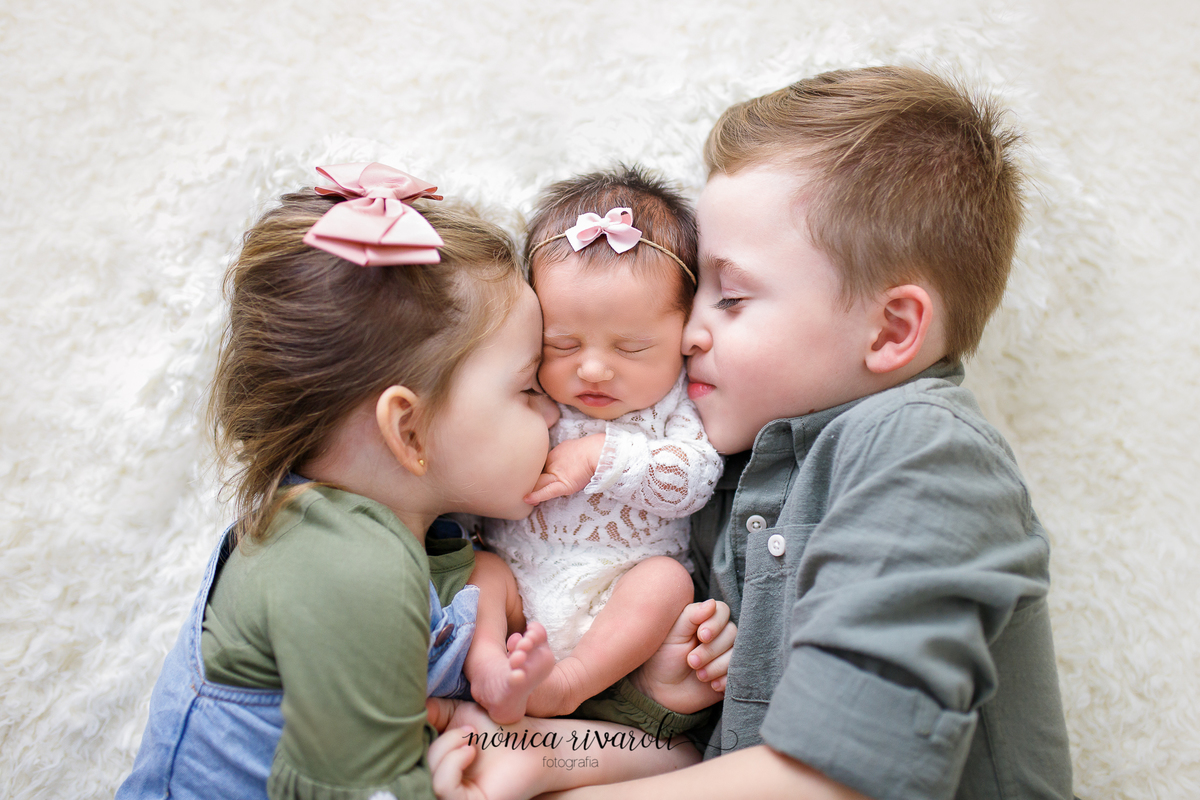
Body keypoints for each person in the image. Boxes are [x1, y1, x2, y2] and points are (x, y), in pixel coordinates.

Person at [441, 66, 1076, 799]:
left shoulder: (925, 454)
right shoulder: (740, 466)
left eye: (731, 296)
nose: (689, 332)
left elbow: (836, 776)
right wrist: (562, 749)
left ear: (892, 328)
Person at [116, 161, 581, 799]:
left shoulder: (410, 540)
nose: (556, 411)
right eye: (528, 388)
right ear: (409, 431)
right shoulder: (347, 565)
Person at [479, 166, 727, 723]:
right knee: (481, 575)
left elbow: (696, 476)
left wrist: (601, 457)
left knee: (666, 584)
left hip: (617, 598)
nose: (591, 369)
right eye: (561, 343)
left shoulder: (675, 407)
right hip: (521, 587)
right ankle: (490, 667)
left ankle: (569, 682)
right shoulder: (529, 389)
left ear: (684, 333)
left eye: (632, 348)